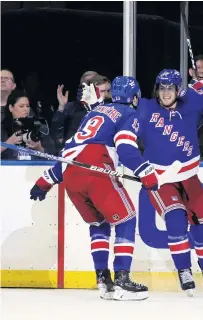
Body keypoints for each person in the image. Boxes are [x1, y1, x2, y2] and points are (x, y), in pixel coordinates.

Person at [28, 76, 157, 301]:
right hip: (96, 168)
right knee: (126, 219)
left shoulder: (95, 113)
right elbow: (126, 148)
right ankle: (122, 281)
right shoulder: (129, 114)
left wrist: (44, 181)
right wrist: (146, 172)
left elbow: (72, 154)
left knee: (99, 222)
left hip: (71, 173)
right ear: (134, 97)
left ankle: (103, 279)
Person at [137, 69, 203, 296]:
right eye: (162, 88)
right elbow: (118, 111)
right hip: (161, 181)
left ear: (179, 90)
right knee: (176, 219)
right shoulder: (145, 108)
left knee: (202, 224)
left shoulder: (194, 101)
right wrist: (95, 105)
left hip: (189, 178)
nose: (166, 92)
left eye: (170, 88)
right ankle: (184, 271)